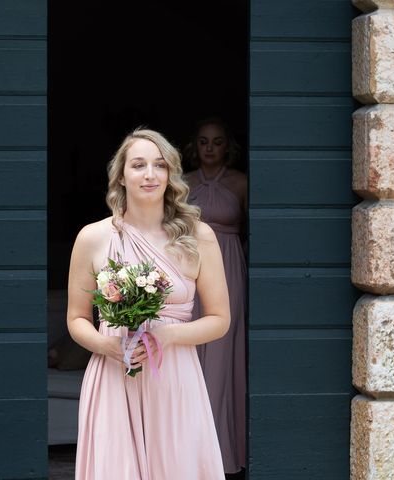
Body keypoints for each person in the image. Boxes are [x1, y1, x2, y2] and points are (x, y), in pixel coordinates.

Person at [67, 128, 231, 479]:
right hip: (113, 374)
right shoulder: (92, 238)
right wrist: (107, 345)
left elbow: (219, 319)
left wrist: (167, 337)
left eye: (159, 165)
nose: (150, 174)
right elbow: (77, 318)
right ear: (121, 176)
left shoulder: (198, 236)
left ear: (171, 174)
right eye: (138, 165)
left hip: (175, 373)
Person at [183, 117, 247, 475]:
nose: (210, 148)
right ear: (195, 146)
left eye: (217, 141)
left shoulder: (241, 183)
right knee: (188, 351)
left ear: (228, 146)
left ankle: (220, 454)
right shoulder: (181, 184)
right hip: (189, 269)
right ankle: (187, 452)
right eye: (204, 141)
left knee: (223, 354)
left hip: (229, 266)